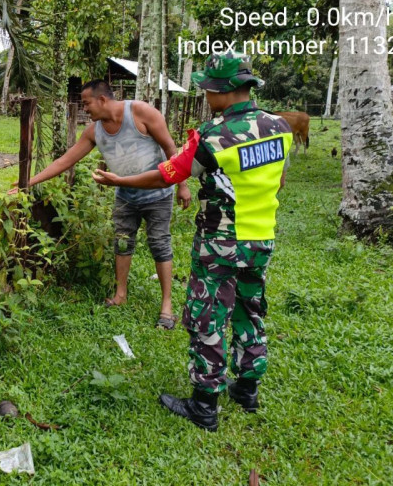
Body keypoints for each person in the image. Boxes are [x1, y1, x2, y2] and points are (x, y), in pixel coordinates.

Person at [93, 53, 292, 431]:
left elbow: (167, 174)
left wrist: (120, 181)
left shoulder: (212, 135)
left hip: (220, 242)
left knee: (208, 317)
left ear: (224, 90)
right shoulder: (279, 126)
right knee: (250, 310)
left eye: (208, 89)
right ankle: (247, 389)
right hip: (262, 239)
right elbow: (279, 181)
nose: (206, 95)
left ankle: (204, 404)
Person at [11, 79, 191, 329]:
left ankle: (167, 306)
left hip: (158, 194)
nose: (85, 109)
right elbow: (65, 161)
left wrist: (182, 185)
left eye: (87, 103)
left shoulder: (140, 112)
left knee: (159, 243)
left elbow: (171, 148)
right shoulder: (94, 131)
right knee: (122, 242)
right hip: (125, 196)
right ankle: (120, 294)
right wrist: (28, 182)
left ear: (103, 99)